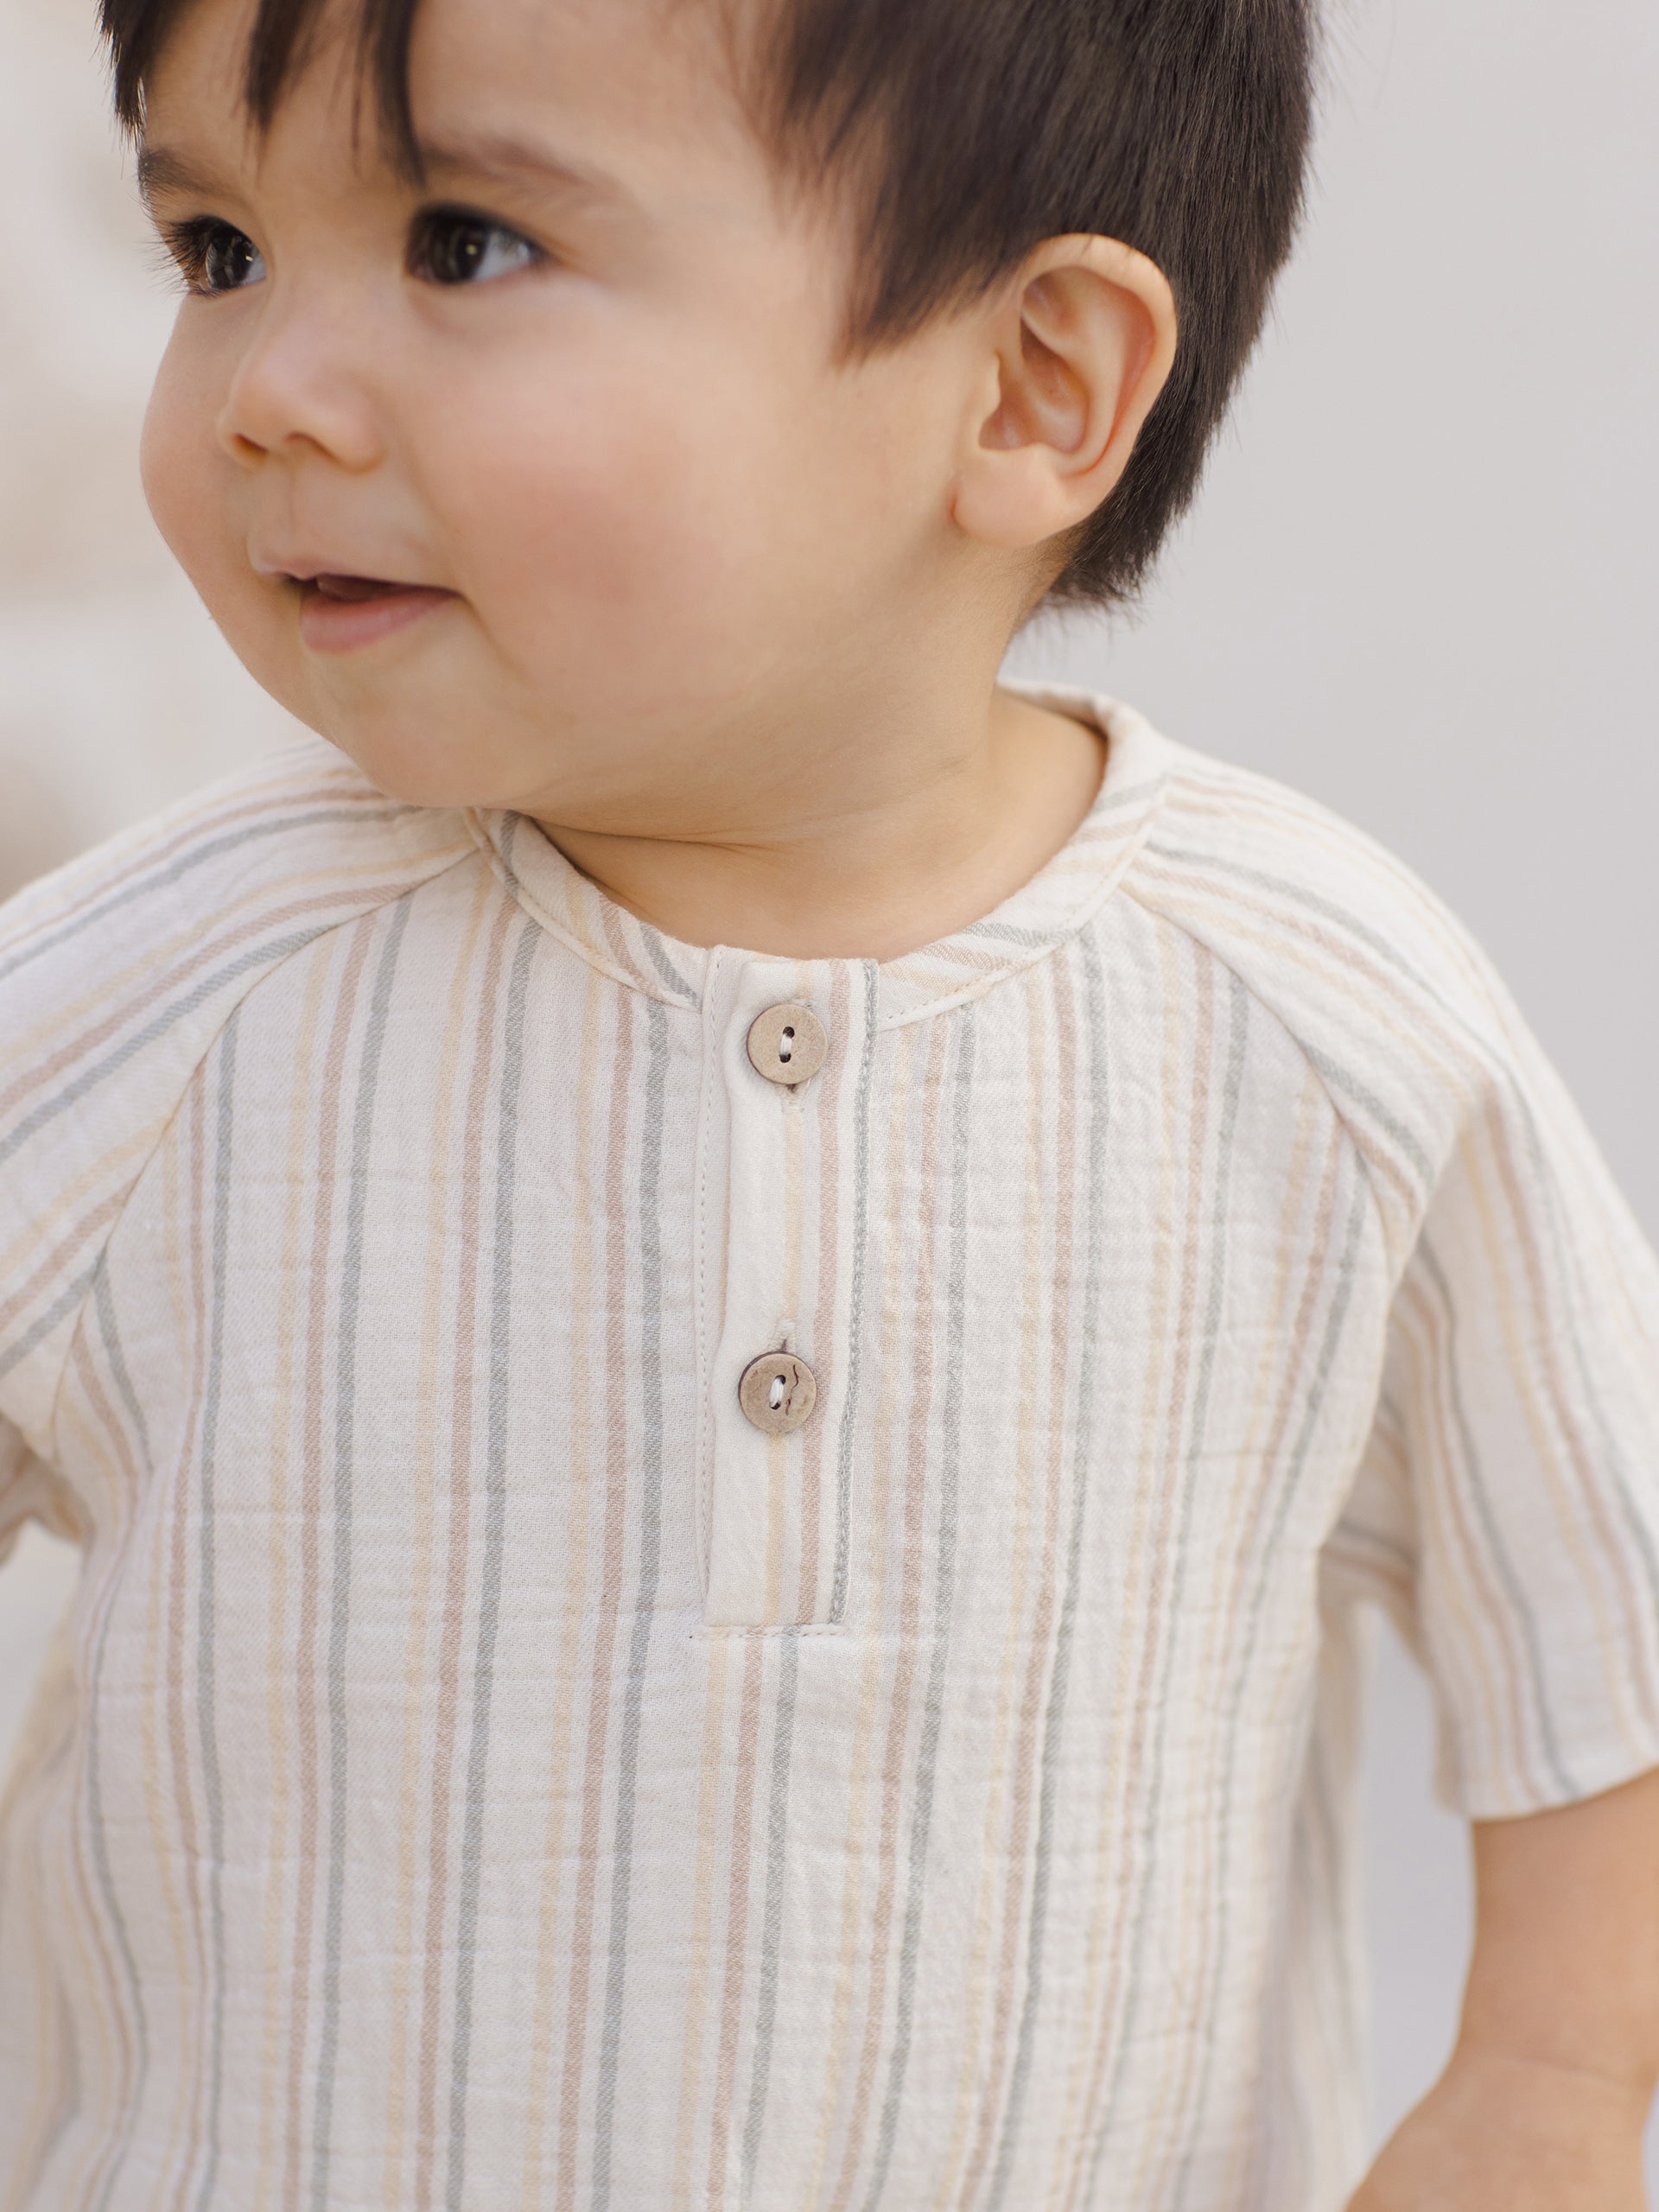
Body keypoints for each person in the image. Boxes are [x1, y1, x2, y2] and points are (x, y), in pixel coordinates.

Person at [2, 0, 1656, 2202]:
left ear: (1033, 382)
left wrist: (1536, 2096)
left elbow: (1602, 1626)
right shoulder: (162, 991)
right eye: (216, 253)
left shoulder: (1321, 1020)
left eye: (466, 244)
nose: (273, 397)